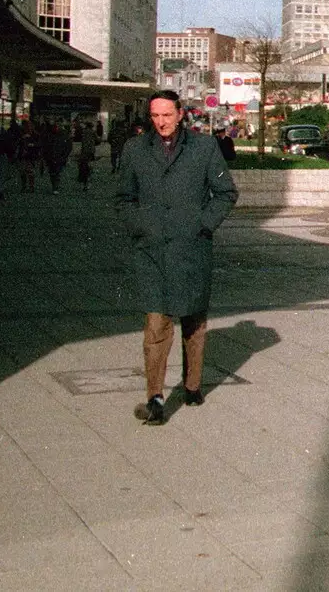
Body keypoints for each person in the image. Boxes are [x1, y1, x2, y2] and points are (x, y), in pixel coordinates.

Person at [115, 90, 239, 425]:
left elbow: (226, 193)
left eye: (167, 115)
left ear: (180, 113)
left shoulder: (203, 148)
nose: (161, 123)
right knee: (156, 324)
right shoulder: (135, 149)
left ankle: (192, 384)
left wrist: (203, 225)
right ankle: (155, 398)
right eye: (155, 116)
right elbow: (124, 197)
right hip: (152, 251)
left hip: (191, 250)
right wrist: (140, 226)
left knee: (193, 322)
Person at [41, 120, 71, 194]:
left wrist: (64, 155)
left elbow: (68, 147)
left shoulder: (64, 135)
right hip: (51, 157)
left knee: (57, 172)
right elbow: (45, 146)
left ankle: (55, 187)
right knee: (53, 173)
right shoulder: (50, 135)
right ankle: (54, 186)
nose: (57, 127)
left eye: (59, 126)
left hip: (58, 157)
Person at [77, 118, 99, 189]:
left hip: (84, 151)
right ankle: (87, 181)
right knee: (89, 166)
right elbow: (97, 140)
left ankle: (84, 182)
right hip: (91, 152)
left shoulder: (83, 132)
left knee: (84, 166)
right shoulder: (93, 132)